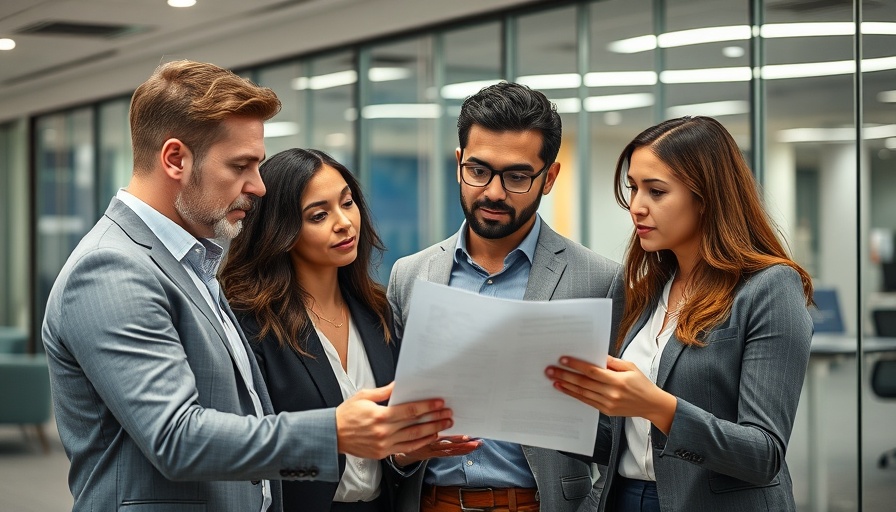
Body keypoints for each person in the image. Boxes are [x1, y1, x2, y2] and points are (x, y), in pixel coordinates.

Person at [41, 60, 453, 512]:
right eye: (241, 165)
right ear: (175, 159)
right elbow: (176, 438)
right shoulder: (112, 268)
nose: (257, 187)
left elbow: (243, 423)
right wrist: (334, 431)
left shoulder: (195, 263)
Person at [545, 116, 814, 512]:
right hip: (623, 498)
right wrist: (544, 410)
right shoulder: (643, 290)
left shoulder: (770, 288)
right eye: (633, 188)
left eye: (656, 191)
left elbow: (763, 455)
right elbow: (622, 441)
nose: (636, 206)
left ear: (706, 197)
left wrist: (657, 405)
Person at [387, 81, 624, 512]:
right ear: (458, 164)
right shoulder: (411, 275)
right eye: (478, 171)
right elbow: (391, 414)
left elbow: (621, 432)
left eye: (516, 177)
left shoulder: (600, 279)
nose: (493, 192)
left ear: (548, 178)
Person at [220, 148, 477, 512]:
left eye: (348, 202)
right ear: (282, 231)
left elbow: (380, 461)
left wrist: (404, 454)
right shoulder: (252, 323)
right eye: (319, 215)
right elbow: (244, 451)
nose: (344, 222)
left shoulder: (377, 312)